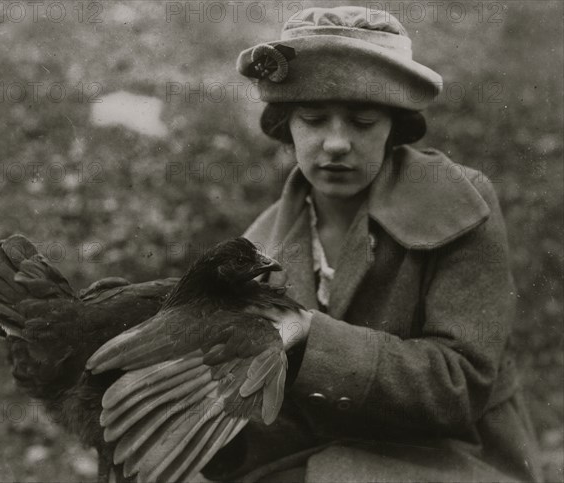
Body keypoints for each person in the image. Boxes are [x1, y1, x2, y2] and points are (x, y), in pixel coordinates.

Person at [202, 6, 542, 483]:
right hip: (315, 457)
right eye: (314, 118)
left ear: (395, 126)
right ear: (286, 126)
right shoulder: (261, 245)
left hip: (453, 458)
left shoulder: (459, 204)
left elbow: (461, 386)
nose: (337, 142)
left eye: (363, 121)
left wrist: (307, 334)